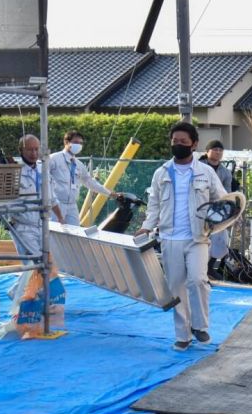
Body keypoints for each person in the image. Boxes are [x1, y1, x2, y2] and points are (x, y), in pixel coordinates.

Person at [135, 122, 226, 351]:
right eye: (175, 142)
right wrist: (147, 226)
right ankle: (182, 335)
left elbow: (222, 199)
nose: (178, 145)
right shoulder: (162, 173)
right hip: (169, 238)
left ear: (194, 144)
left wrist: (225, 216)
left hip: (197, 237)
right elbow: (154, 204)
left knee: (197, 280)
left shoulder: (206, 172)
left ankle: (200, 325)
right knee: (176, 288)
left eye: (183, 142)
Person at [0, 135, 63, 257]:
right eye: (30, 149)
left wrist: (61, 218)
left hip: (43, 225)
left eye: (36, 149)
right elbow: (1, 201)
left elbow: (51, 197)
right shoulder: (13, 171)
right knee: (34, 264)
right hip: (22, 227)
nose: (34, 153)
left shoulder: (43, 169)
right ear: (21, 150)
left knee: (47, 263)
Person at [49, 130, 122, 225]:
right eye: (75, 142)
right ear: (66, 142)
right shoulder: (54, 159)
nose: (78, 145)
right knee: (54, 233)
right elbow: (40, 177)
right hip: (56, 204)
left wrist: (109, 193)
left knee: (75, 234)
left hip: (72, 205)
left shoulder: (78, 164)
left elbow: (90, 182)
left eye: (81, 143)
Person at [198, 140, 239, 279]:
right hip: (198, 207)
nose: (218, 152)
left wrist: (228, 211)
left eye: (220, 150)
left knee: (220, 239)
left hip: (217, 210)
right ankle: (199, 270)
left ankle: (210, 268)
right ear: (207, 151)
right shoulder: (198, 167)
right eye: (215, 149)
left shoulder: (226, 173)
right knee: (199, 240)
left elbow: (227, 194)